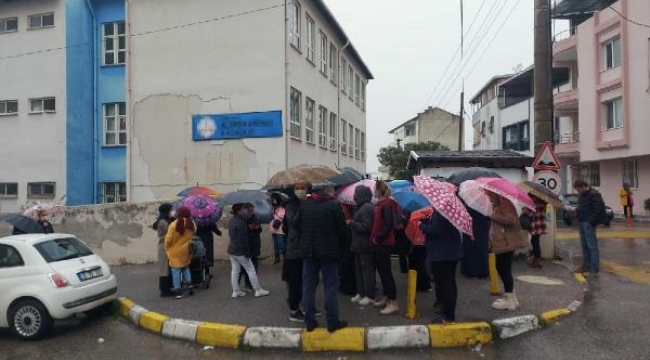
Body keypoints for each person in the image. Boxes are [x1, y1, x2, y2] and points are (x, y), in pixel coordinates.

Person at [299, 185, 349, 332]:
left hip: (309, 251)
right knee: (331, 287)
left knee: (308, 287)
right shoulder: (333, 205)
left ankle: (309, 322)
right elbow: (343, 231)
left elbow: (298, 225)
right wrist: (342, 248)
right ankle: (332, 322)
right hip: (329, 252)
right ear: (328, 192)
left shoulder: (305, 205)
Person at [419, 210, 463, 324]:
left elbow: (436, 229)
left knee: (446, 285)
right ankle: (446, 313)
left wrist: (421, 226)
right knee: (448, 284)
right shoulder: (445, 209)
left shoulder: (441, 210)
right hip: (449, 253)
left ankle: (448, 317)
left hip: (443, 254)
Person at [486, 191, 526, 310]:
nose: (488, 197)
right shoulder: (499, 205)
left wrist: (491, 216)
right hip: (501, 243)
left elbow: (512, 221)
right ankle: (511, 298)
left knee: (503, 269)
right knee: (503, 269)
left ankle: (510, 300)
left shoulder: (505, 203)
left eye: (489, 194)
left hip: (506, 243)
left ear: (494, 193)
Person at [370, 180, 399, 315]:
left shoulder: (386, 204)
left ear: (379, 190)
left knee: (386, 273)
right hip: (380, 243)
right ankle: (387, 297)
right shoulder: (381, 204)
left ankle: (393, 302)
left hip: (384, 243)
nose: (373, 191)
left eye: (375, 189)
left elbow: (388, 225)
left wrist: (377, 238)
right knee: (382, 272)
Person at [228, 203, 269, 298]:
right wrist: (247, 252)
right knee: (251, 270)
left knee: (235, 271)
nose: (245, 210)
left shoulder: (232, 220)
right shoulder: (241, 222)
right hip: (240, 251)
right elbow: (243, 240)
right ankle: (258, 290)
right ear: (238, 211)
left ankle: (236, 291)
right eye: (243, 209)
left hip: (232, 250)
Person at [282, 181, 308, 322]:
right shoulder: (291, 204)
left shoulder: (304, 202)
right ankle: (294, 310)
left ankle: (304, 306)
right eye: (297, 188)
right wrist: (303, 206)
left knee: (305, 279)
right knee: (295, 280)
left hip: (305, 246)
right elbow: (293, 222)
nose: (300, 190)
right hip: (294, 248)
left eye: (302, 188)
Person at [348, 185, 376, 306]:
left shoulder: (366, 208)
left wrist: (352, 223)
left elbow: (366, 227)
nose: (354, 195)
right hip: (358, 245)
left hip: (365, 245)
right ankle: (361, 292)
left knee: (366, 271)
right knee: (358, 270)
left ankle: (369, 295)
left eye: (356, 193)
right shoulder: (361, 207)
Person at [574, 180, 606, 274]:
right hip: (582, 222)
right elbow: (582, 207)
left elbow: (599, 209)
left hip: (588, 224)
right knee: (584, 246)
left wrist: (590, 222)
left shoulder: (594, 194)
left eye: (578, 189)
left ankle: (594, 268)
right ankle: (586, 266)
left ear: (583, 186)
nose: (578, 192)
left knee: (592, 247)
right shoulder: (581, 196)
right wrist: (576, 211)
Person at [164, 206, 196, 299]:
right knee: (185, 267)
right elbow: (194, 233)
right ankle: (189, 285)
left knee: (176, 270)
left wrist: (167, 248)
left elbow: (168, 239)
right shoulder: (192, 223)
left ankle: (178, 291)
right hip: (186, 250)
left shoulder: (173, 224)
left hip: (174, 251)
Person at [460, 205, 490, 279]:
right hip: (482, 228)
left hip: (469, 227)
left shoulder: (467, 202)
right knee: (481, 250)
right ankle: (482, 271)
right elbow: (488, 217)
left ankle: (470, 271)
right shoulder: (485, 204)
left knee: (470, 250)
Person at [239, 203, 262, 292]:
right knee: (247, 267)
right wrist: (249, 228)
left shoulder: (255, 218)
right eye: (249, 211)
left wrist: (257, 228)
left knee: (255, 265)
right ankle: (248, 284)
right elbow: (242, 232)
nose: (251, 212)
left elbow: (260, 230)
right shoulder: (243, 220)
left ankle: (253, 284)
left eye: (252, 210)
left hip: (255, 244)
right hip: (247, 245)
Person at [153, 203, 174, 297]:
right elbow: (170, 230)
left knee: (167, 268)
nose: (171, 212)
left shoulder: (164, 220)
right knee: (164, 269)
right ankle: (164, 291)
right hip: (164, 246)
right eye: (170, 210)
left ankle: (167, 289)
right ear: (166, 211)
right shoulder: (162, 221)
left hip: (166, 246)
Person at [524, 195, 548, 269]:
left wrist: (525, 210)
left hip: (536, 225)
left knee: (535, 242)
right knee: (535, 241)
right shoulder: (543, 202)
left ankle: (537, 261)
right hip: (541, 224)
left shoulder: (533, 203)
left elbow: (530, 214)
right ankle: (536, 259)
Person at [270, 193, 287, 264]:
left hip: (280, 228)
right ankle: (277, 258)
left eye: (273, 198)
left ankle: (286, 257)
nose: (272, 200)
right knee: (275, 245)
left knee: (281, 244)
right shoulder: (273, 207)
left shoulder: (283, 206)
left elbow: (283, 215)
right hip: (273, 227)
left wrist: (276, 213)